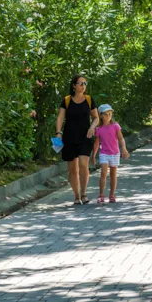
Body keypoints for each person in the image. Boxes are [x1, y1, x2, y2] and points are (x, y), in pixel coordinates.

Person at [55, 74, 99, 205]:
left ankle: (84, 194)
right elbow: (60, 117)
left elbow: (96, 117)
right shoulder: (67, 100)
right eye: (81, 83)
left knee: (83, 165)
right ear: (74, 86)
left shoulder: (89, 100)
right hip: (69, 138)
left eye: (85, 83)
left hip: (85, 137)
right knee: (73, 169)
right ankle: (76, 196)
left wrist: (92, 127)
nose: (83, 86)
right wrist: (58, 132)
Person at [91, 103, 129, 204]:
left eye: (110, 114)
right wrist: (93, 155)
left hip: (115, 153)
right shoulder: (99, 129)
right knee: (103, 173)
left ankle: (112, 194)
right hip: (104, 153)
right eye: (106, 114)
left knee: (113, 174)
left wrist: (124, 149)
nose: (108, 116)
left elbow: (121, 138)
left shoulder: (115, 126)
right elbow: (96, 143)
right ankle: (101, 194)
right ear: (101, 116)